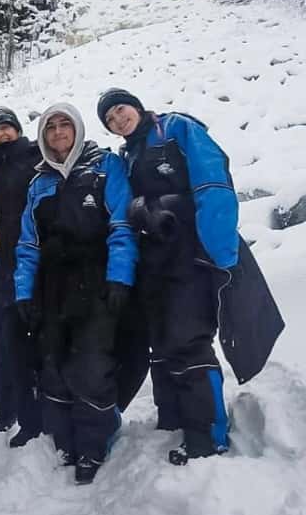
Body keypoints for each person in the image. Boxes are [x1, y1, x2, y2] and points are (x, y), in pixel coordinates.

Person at [97, 88, 235, 466]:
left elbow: (213, 183)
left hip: (191, 254)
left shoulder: (177, 130)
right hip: (155, 261)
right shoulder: (128, 155)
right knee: (162, 341)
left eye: (120, 109)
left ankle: (207, 437)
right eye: (109, 119)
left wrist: (221, 255)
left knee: (188, 340)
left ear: (136, 106)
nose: (118, 119)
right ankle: (172, 418)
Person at [14, 103, 137, 485]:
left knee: (90, 365)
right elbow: (28, 244)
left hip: (95, 279)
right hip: (51, 285)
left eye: (64, 124)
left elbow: (122, 224)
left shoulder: (105, 167)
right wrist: (23, 293)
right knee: (53, 363)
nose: (58, 132)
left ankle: (94, 443)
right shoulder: (39, 183)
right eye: (50, 127)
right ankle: (65, 441)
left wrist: (120, 278)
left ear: (78, 129)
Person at [0, 107, 43, 447]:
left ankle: (43, 408)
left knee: (42, 341)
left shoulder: (39, 159)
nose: (2, 134)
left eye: (7, 128)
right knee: (4, 346)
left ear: (18, 130)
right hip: (1, 272)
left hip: (39, 267)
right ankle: (5, 412)